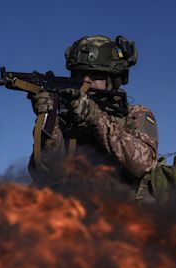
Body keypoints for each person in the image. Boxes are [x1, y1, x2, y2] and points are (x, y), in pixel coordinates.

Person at [28, 35, 158, 200]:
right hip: (74, 212)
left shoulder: (135, 114)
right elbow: (46, 174)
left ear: (112, 79)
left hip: (122, 213)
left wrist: (95, 117)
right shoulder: (66, 119)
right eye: (79, 74)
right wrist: (49, 118)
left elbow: (143, 164)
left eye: (94, 74)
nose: (85, 80)